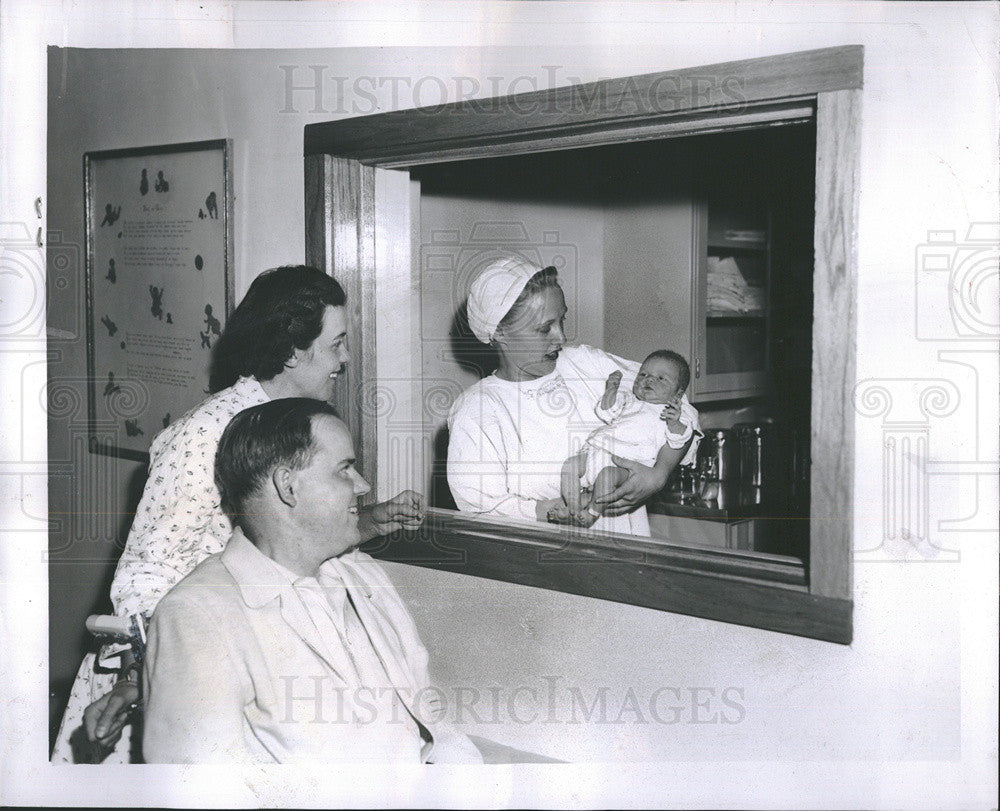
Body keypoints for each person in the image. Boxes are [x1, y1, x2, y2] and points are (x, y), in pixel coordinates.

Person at [53, 265, 424, 763]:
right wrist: (138, 680)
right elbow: (143, 574)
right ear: (293, 351)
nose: (347, 359)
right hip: (177, 666)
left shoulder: (297, 422)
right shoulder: (204, 435)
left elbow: (280, 528)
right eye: (337, 344)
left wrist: (368, 519)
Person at [143, 399, 482, 764]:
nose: (363, 485)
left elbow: (433, 727)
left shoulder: (364, 576)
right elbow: (195, 792)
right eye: (344, 470)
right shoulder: (197, 616)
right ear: (288, 486)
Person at [447, 255, 693, 536]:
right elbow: (480, 510)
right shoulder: (478, 409)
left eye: (561, 320)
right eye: (544, 329)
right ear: (500, 332)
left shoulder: (585, 364)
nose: (561, 337)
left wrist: (659, 474)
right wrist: (553, 509)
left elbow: (678, 400)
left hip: (629, 551)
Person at [556, 350, 701, 526]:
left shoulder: (673, 414)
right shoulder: (628, 399)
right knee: (570, 466)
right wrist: (611, 391)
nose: (649, 379)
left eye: (661, 378)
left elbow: (680, 438)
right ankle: (573, 507)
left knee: (607, 477)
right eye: (643, 374)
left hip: (623, 463)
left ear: (678, 395)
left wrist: (675, 423)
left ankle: (592, 513)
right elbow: (607, 412)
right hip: (598, 451)